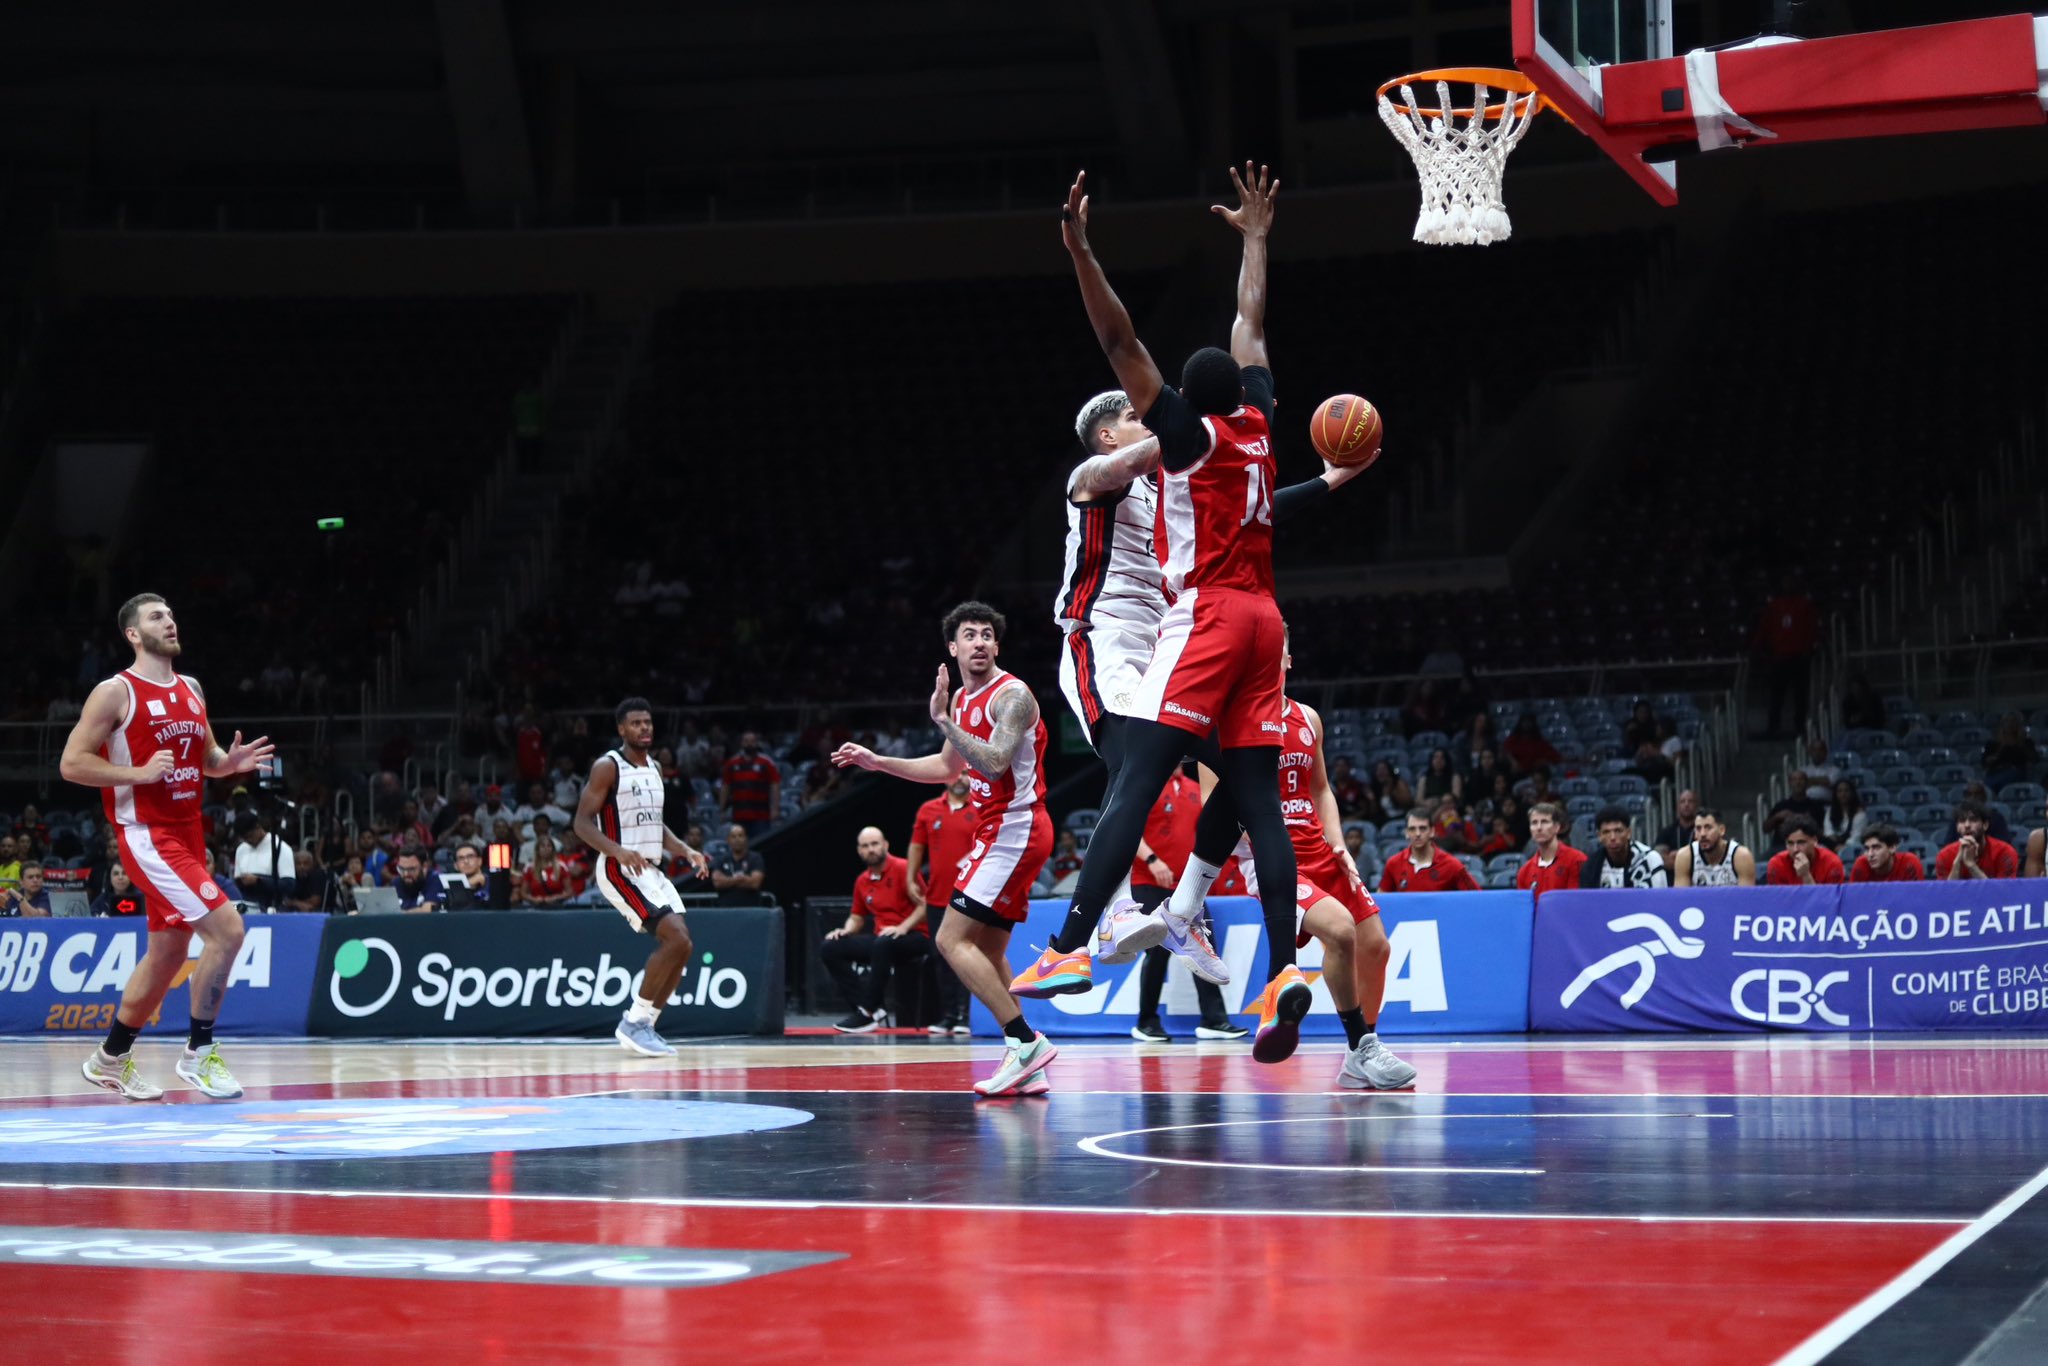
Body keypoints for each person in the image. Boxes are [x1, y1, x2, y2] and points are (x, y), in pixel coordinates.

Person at [1018, 163, 1315, 1066]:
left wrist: (1079, 250)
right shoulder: (1261, 419)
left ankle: (1072, 944)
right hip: (1267, 618)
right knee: (1254, 793)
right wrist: (1257, 241)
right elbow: (1250, 326)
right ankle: (1281, 967)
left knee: (1139, 773)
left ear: (1185, 399)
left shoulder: (1183, 440)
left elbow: (1118, 337)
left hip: (1210, 615)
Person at [832, 602, 1058, 1097]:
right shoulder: (960, 700)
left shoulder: (1012, 695)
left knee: (950, 940)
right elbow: (946, 769)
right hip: (1001, 829)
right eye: (968, 636)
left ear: (997, 647)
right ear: (952, 649)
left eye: (986, 636)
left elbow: (996, 763)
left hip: (1014, 828)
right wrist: (878, 762)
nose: (979, 642)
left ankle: (1025, 1043)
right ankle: (1028, 1063)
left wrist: (944, 722)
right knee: (991, 949)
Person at [59, 591, 273, 1101]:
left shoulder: (192, 687)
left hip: (188, 830)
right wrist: (136, 772)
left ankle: (109, 1059)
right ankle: (199, 1053)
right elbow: (71, 764)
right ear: (133, 634)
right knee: (227, 928)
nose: (170, 622)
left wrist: (228, 763)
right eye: (157, 617)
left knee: (168, 952)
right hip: (147, 835)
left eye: (172, 614)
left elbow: (205, 757)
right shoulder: (116, 692)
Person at [1226, 647, 1415, 1088]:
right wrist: (1258, 842)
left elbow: (1323, 789)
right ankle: (1361, 1046)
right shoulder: (1231, 721)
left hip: (1320, 849)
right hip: (1273, 857)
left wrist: (1338, 844)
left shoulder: (1308, 718)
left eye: (1277, 651)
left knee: (1376, 946)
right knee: (1341, 930)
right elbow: (1216, 807)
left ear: (1288, 659)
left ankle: (1361, 1053)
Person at [572, 697, 713, 1058]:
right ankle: (633, 1023)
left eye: (647, 722)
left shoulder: (654, 767)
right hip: (620, 868)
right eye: (635, 723)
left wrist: (686, 850)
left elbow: (656, 825)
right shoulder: (608, 766)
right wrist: (617, 850)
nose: (643, 728)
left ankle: (645, 1024)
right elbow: (581, 823)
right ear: (621, 729)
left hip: (650, 868)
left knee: (683, 946)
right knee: (676, 937)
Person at [1128, 763, 1238, 1043]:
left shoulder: (1194, 788)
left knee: (1203, 948)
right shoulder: (1147, 781)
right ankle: (1147, 1022)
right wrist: (1152, 860)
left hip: (1188, 886)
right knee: (1157, 949)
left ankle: (1215, 1020)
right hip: (1148, 882)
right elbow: (1128, 828)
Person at [822, 826, 932, 1033]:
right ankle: (870, 1008)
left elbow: (924, 904)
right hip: (883, 939)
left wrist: (903, 927)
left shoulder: (903, 868)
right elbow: (856, 917)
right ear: (859, 851)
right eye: (865, 846)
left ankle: (868, 1012)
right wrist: (846, 930)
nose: (871, 849)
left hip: (916, 935)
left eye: (874, 844)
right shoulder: (862, 881)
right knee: (830, 947)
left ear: (885, 845)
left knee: (883, 942)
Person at [906, 775, 976, 1035]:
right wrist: (911, 876)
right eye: (955, 773)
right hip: (937, 896)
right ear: (944, 778)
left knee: (966, 953)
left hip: (970, 895)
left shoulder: (982, 806)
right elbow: (916, 846)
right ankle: (948, 1014)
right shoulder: (928, 810)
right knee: (940, 955)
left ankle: (966, 1014)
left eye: (966, 773)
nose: (960, 779)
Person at [1379, 806, 1480, 893]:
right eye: (1412, 829)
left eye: (1422, 828)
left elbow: (1478, 898)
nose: (1417, 834)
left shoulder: (1452, 865)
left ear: (1432, 831)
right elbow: (1380, 902)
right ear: (1406, 833)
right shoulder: (1393, 864)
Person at [1579, 809, 1672, 889]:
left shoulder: (1650, 859)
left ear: (1628, 833)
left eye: (1618, 831)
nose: (1612, 837)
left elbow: (1661, 899)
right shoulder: (1592, 865)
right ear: (1599, 836)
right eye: (1606, 832)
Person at [1935, 799, 2020, 881]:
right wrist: (1958, 863)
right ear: (1957, 827)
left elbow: (2001, 894)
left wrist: (1971, 865)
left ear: (1985, 825)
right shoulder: (1944, 856)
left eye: (1973, 820)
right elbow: (1947, 894)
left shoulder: (2005, 853)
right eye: (1962, 821)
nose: (1967, 825)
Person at [1516, 802, 1586, 899]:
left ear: (1557, 827)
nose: (1539, 828)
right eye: (1534, 823)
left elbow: (1575, 901)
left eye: (1544, 822)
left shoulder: (1576, 859)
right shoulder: (1524, 872)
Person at [719, 731, 782, 838]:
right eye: (746, 741)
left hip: (761, 816)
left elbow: (774, 785)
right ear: (741, 744)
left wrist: (775, 809)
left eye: (752, 741)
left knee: (761, 845)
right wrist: (722, 810)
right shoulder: (732, 763)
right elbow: (725, 787)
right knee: (740, 847)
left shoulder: (766, 763)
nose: (749, 744)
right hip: (739, 814)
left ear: (757, 743)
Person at [1672, 808, 1755, 887]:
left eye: (1708, 828)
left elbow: (1746, 899)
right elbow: (1681, 899)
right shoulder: (1685, 856)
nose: (1703, 834)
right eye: (1698, 828)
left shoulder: (1741, 856)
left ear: (1722, 830)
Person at [229, 813, 294, 910]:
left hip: (271, 906)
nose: (248, 840)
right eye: (245, 838)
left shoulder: (280, 847)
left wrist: (259, 880)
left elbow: (289, 885)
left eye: (250, 836)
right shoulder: (241, 849)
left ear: (258, 827)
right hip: (245, 905)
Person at [1765, 817, 1846, 886]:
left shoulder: (1832, 863)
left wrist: (1806, 876)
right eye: (1790, 843)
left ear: (1814, 840)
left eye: (1801, 842)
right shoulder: (1776, 864)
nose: (1795, 849)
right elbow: (1777, 902)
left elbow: (1830, 903)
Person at [1762, 771, 1827, 850]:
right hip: (1780, 847)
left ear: (1807, 783)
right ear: (1790, 783)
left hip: (1806, 847)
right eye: (1794, 780)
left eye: (1801, 779)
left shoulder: (1816, 806)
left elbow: (1822, 833)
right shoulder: (1781, 805)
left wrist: (1805, 821)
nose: (1798, 782)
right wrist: (1777, 817)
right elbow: (1765, 829)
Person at [710, 824, 767, 903]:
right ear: (728, 840)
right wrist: (741, 879)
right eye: (733, 837)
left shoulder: (755, 858)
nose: (737, 839)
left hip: (751, 910)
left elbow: (755, 883)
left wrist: (727, 881)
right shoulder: (721, 859)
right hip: (725, 909)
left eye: (740, 836)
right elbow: (717, 883)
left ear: (746, 838)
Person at [1850, 825, 1924, 883]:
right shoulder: (1861, 864)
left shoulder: (1909, 862)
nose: (1870, 854)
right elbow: (1854, 899)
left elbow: (1917, 897)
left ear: (1892, 848)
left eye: (1876, 847)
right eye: (1867, 849)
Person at [518, 838, 574, 907]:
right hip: (535, 906)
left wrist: (556, 898)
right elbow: (523, 893)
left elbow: (570, 892)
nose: (546, 849)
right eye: (543, 846)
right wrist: (534, 899)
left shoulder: (561, 867)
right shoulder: (529, 868)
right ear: (537, 850)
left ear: (553, 850)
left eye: (549, 846)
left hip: (557, 906)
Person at [1655, 789, 1701, 866]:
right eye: (1683, 801)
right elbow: (1659, 859)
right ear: (1678, 807)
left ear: (1696, 806)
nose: (1686, 804)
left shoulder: (1702, 831)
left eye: (1690, 801)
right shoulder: (1666, 832)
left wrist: (1676, 856)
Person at [1823, 779, 1869, 852]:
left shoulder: (1860, 814)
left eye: (1846, 791)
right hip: (1832, 845)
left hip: (1852, 848)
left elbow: (1856, 836)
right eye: (1839, 791)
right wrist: (1834, 844)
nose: (1843, 794)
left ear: (1852, 793)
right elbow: (1828, 831)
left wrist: (1844, 847)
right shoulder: (1830, 811)